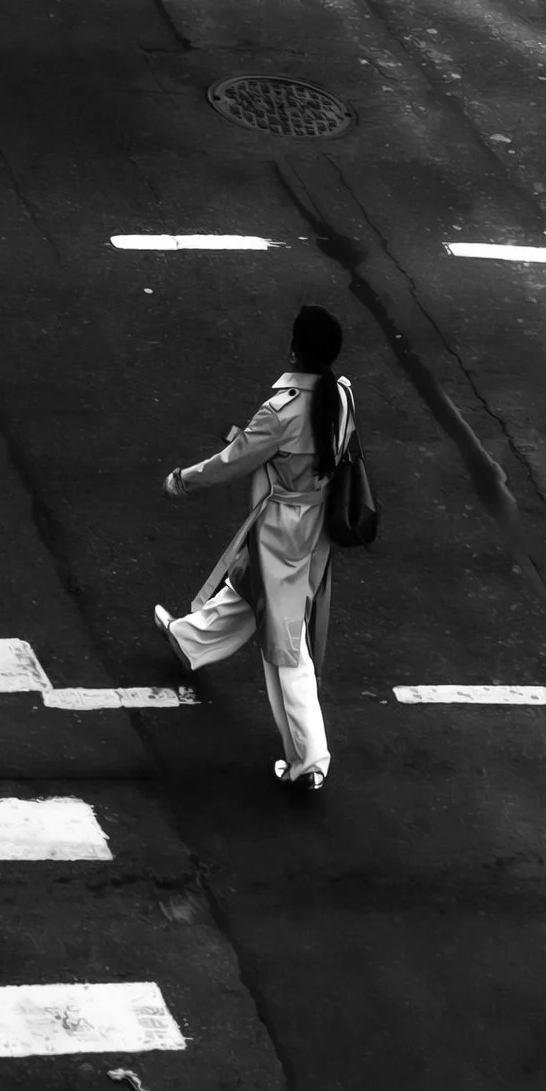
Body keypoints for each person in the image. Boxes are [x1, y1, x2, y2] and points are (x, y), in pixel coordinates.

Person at [155, 305, 358, 792]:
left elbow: (233, 460)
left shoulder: (281, 410)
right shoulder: (345, 397)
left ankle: (309, 761)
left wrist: (182, 482)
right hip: (315, 529)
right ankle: (190, 639)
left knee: (286, 647)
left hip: (280, 532)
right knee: (251, 590)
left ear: (295, 348)